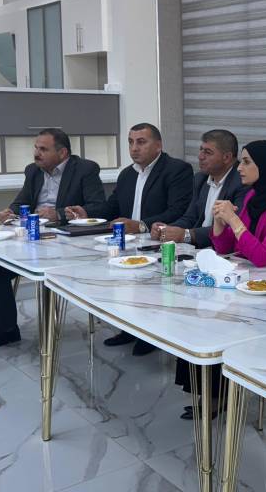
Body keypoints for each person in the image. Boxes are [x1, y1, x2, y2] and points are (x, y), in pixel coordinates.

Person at [176, 140, 266, 420]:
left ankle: (220, 395)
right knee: (202, 316)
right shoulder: (253, 196)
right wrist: (219, 221)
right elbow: (226, 247)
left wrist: (234, 220)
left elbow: (262, 255)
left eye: (247, 162)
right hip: (255, 284)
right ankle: (211, 391)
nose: (240, 167)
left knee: (221, 321)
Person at [0, 128, 105, 351]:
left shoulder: (85, 169)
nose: (36, 153)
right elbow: (21, 201)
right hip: (33, 237)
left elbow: (99, 208)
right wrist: (9, 212)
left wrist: (59, 213)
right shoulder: (33, 171)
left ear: (62, 153)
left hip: (66, 242)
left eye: (43, 149)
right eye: (36, 148)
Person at [66, 122, 193, 356]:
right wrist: (87, 212)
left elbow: (178, 210)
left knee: (151, 294)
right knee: (125, 289)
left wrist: (141, 225)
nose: (134, 148)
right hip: (129, 243)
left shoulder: (177, 170)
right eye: (131, 142)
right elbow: (112, 206)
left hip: (158, 242)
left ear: (158, 145)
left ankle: (151, 335)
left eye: (141, 142)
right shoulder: (127, 174)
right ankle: (129, 329)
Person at [150, 129, 248, 249]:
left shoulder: (242, 182)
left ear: (227, 157)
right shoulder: (200, 178)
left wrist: (187, 235)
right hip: (198, 249)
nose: (200, 156)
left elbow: (231, 228)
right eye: (201, 150)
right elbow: (190, 217)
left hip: (224, 250)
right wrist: (166, 229)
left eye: (208, 152)